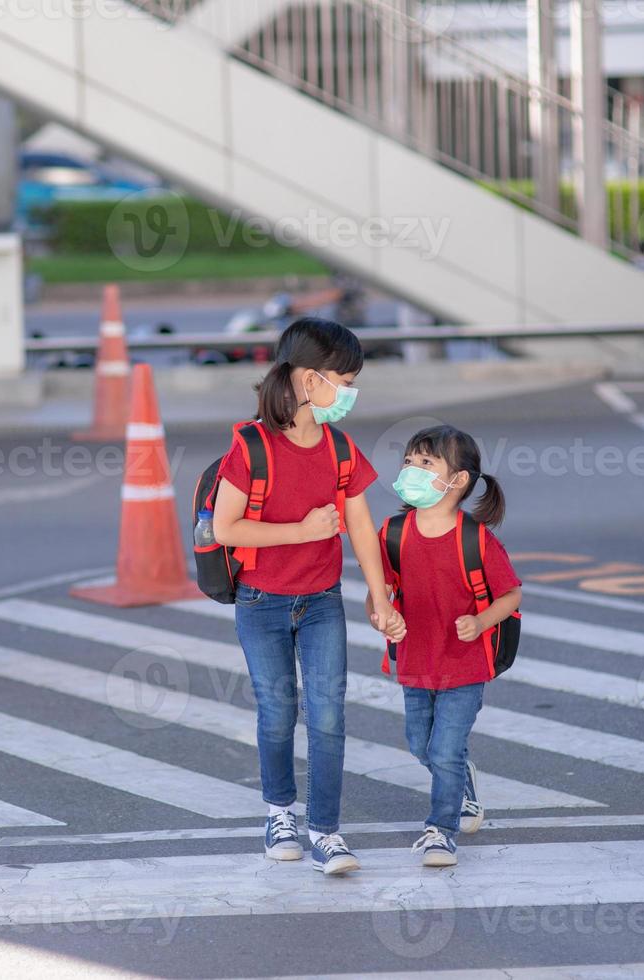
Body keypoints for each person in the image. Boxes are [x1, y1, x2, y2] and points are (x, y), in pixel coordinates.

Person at [210, 317, 401, 876]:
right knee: (277, 713)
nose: (350, 391)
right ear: (310, 379)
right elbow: (225, 528)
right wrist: (304, 531)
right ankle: (279, 814)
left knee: (328, 717)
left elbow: (362, 527)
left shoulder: (340, 448)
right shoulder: (251, 446)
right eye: (345, 378)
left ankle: (326, 831)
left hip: (320, 602)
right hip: (260, 602)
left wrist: (380, 594)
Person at [373, 424, 521, 868]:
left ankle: (440, 831)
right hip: (415, 660)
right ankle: (464, 785)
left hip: (465, 665)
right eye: (409, 461)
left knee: (443, 750)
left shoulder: (475, 538)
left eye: (425, 463)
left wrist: (480, 622)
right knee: (421, 745)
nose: (410, 470)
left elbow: (511, 595)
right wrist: (382, 615)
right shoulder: (393, 533)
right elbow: (379, 592)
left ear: (457, 480)